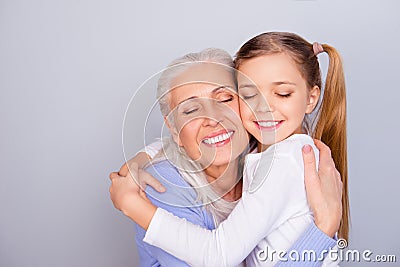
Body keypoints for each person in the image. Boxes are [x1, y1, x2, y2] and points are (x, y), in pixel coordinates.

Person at [110, 39, 345, 266]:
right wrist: (323, 229)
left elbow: (217, 255)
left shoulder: (271, 155)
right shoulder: (164, 186)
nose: (213, 118)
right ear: (172, 128)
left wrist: (131, 204)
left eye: (224, 99)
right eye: (191, 110)